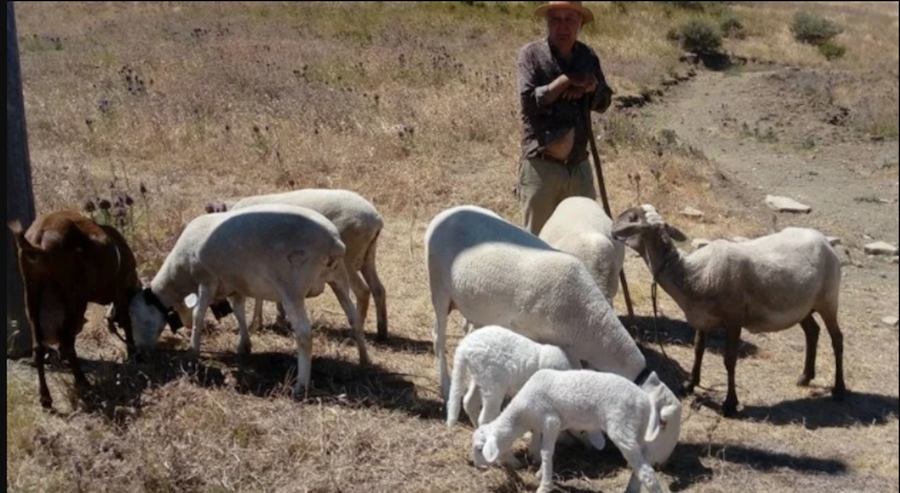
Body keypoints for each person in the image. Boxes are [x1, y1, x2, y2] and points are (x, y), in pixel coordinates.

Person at [516, 1, 614, 235]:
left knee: (584, 238)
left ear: (580, 24)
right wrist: (565, 81)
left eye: (569, 19)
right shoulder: (531, 54)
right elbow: (528, 103)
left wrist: (591, 87)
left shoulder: (588, 56)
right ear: (547, 23)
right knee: (538, 243)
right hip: (542, 168)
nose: (562, 26)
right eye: (555, 19)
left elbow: (604, 102)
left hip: (579, 167)